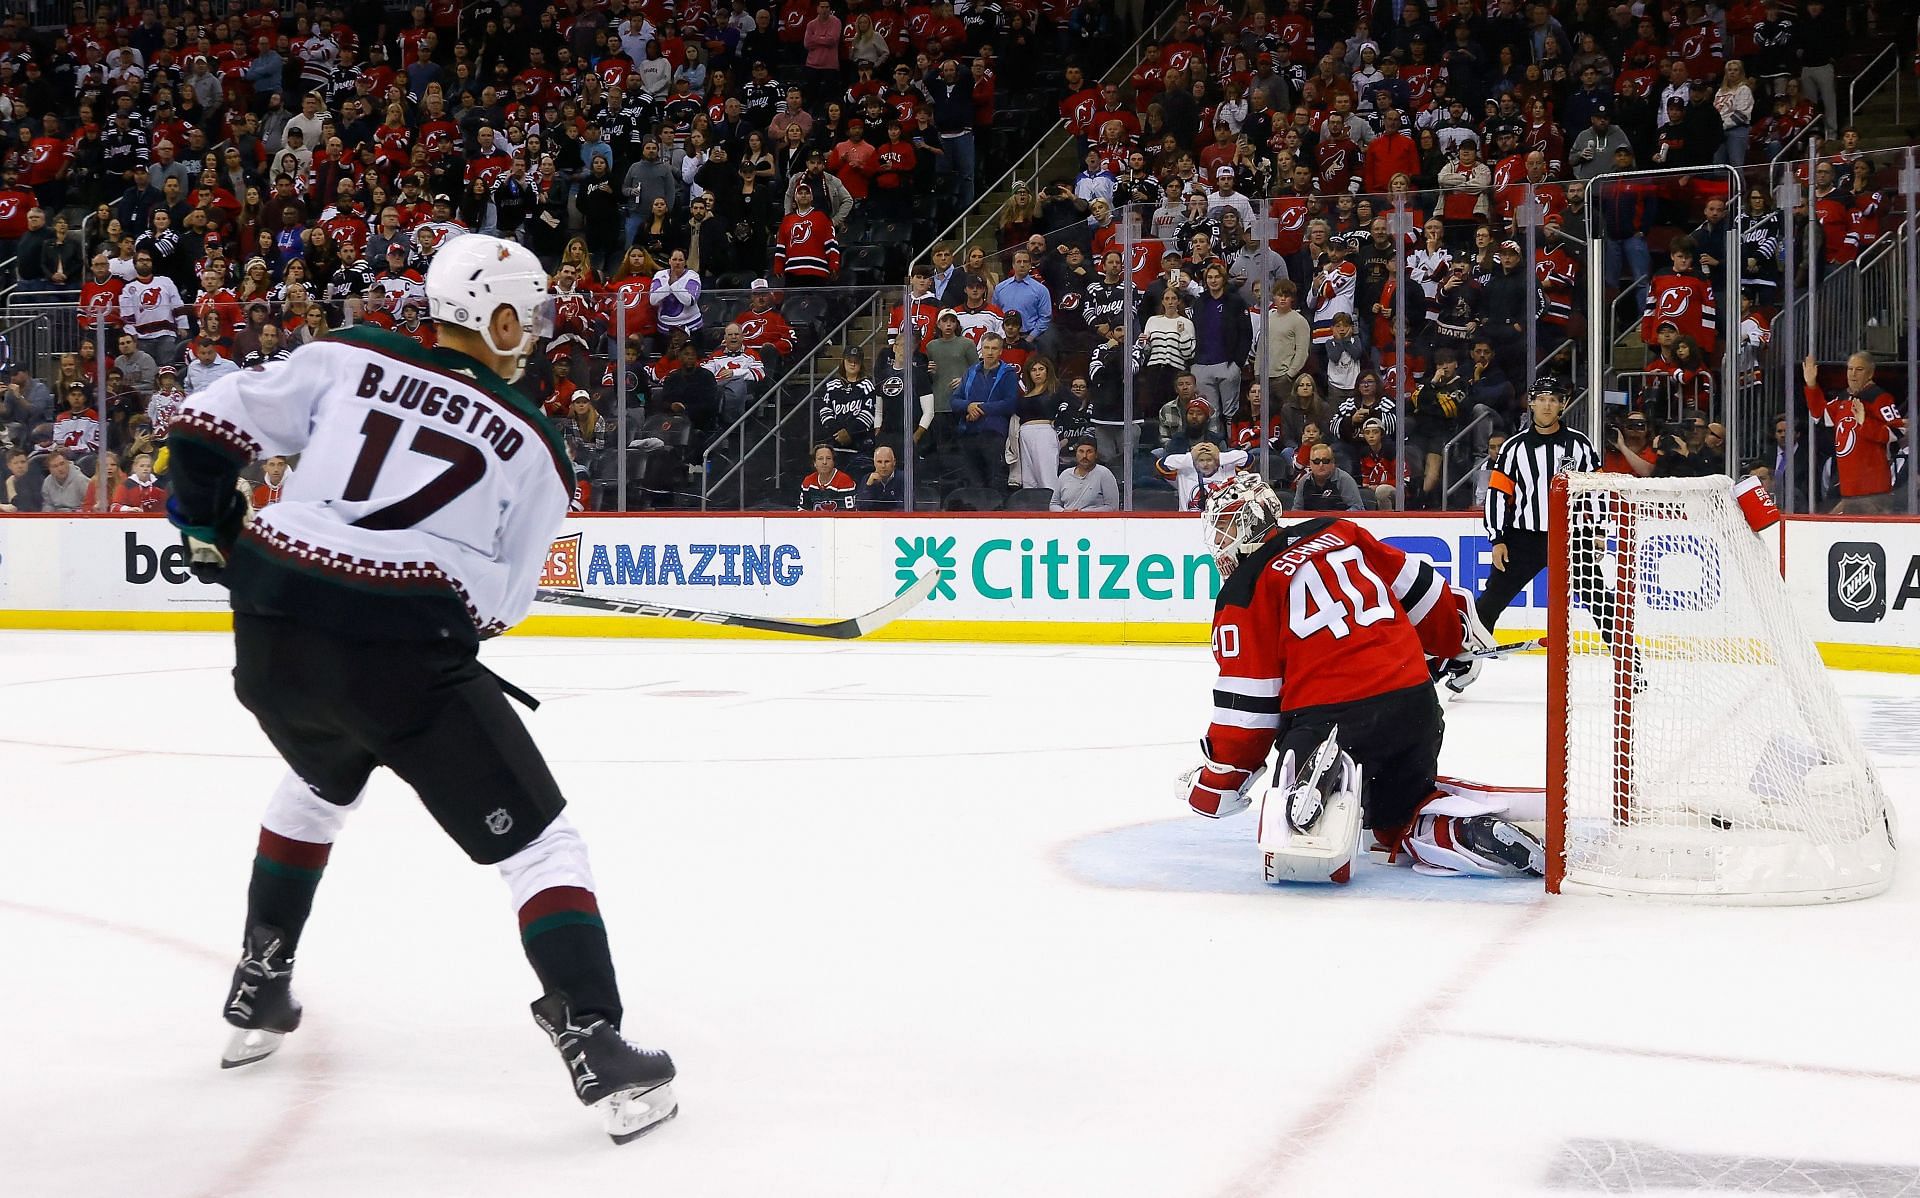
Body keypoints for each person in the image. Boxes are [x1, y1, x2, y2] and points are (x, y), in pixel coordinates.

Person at [163, 234, 677, 1143]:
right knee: (542, 848)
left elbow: (206, 424)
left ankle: (259, 982)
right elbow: (499, 609)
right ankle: (596, 1041)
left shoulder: (346, 352)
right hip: (400, 651)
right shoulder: (534, 444)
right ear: (501, 317)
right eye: (535, 312)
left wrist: (207, 527)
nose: (541, 331)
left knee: (319, 782)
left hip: (273, 626)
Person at [1180, 472, 1540, 885]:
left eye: (1225, 528)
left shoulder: (1243, 592)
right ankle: (1448, 829)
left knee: (1298, 780)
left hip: (1331, 714)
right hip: (1415, 706)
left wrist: (1218, 783)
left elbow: (1248, 711)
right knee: (1397, 818)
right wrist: (1454, 642)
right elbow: (1423, 590)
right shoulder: (1340, 531)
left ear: (1247, 525)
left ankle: (1318, 776)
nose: (1221, 542)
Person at [1474, 375, 1604, 671]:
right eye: (1542, 399)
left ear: (1563, 405)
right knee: (1490, 603)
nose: (1547, 405)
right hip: (1523, 538)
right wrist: (1497, 538)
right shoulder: (1513, 448)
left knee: (1603, 604)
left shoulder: (1580, 445)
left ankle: (1631, 668)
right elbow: (1497, 495)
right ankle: (1459, 663)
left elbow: (1595, 490)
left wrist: (1597, 531)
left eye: (1554, 400)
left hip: (1572, 537)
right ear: (1531, 403)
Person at [1803, 353, 1904, 514]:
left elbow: (1897, 431)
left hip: (1874, 491)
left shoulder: (1879, 397)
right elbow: (1821, 416)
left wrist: (1865, 422)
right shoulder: (1844, 398)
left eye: (1859, 369)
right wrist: (1812, 385)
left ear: (1870, 373)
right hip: (1849, 490)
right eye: (1850, 369)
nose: (1852, 374)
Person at [1291, 442, 1365, 511]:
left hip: (1339, 522)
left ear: (1333, 463)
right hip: (1312, 523)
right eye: (1316, 461)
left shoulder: (1345, 480)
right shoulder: (1303, 481)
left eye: (1325, 461)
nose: (1321, 465)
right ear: (1310, 464)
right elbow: (1297, 510)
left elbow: (1358, 508)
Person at [1051, 437, 1119, 511]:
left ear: (1096, 454)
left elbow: (1112, 507)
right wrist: (1063, 512)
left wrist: (1083, 513)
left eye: (1089, 452)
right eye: (1081, 451)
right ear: (1076, 454)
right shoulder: (1065, 475)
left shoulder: (1104, 474)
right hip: (1067, 520)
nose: (1084, 456)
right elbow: (1054, 504)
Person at [799, 442, 857, 511]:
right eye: (820, 459)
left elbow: (849, 513)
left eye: (828, 458)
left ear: (833, 462)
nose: (824, 462)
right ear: (814, 463)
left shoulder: (844, 481)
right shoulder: (808, 481)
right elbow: (803, 510)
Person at [857, 445, 905, 511]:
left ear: (894, 462)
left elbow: (905, 507)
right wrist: (868, 486)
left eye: (887, 461)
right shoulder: (867, 479)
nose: (883, 466)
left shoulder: (904, 478)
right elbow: (861, 508)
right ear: (874, 463)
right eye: (879, 462)